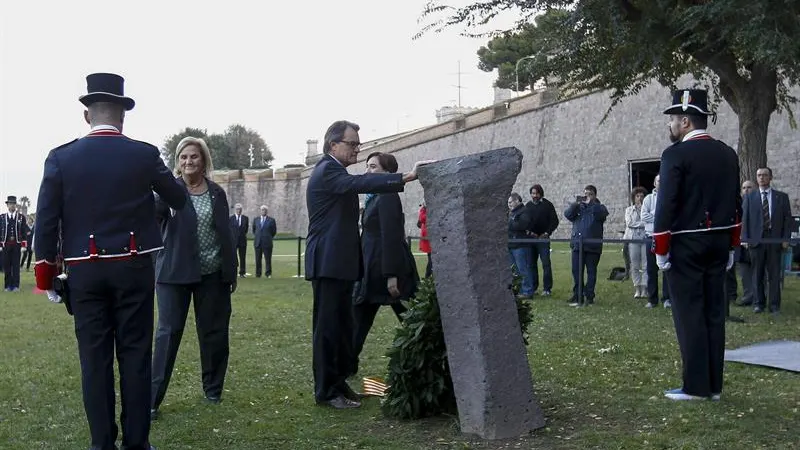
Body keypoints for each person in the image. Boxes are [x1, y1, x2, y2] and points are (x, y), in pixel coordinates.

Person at [34, 73, 186, 449]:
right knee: (135, 356)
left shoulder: (61, 157)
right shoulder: (144, 154)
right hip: (133, 268)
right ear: (122, 115)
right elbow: (178, 199)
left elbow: (46, 219)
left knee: (94, 360)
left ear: (88, 115)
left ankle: (102, 443)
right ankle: (137, 442)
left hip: (84, 271)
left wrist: (45, 276)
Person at [305, 120, 432, 409]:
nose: (357, 149)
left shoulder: (335, 171)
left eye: (358, 143)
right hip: (328, 262)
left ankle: (337, 384)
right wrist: (407, 176)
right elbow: (359, 183)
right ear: (332, 145)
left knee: (341, 327)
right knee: (327, 329)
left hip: (339, 263)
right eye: (352, 143)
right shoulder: (328, 171)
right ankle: (326, 391)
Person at [653, 89, 741, 401]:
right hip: (719, 241)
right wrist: (732, 243)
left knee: (689, 313)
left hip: (685, 243)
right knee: (714, 313)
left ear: (686, 121)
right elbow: (735, 202)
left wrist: (661, 249)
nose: (670, 126)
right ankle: (714, 385)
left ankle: (696, 386)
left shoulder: (674, 155)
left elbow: (666, 206)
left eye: (674, 120)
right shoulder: (727, 153)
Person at [150, 137, 237, 419]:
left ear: (204, 160)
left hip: (212, 275)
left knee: (214, 333)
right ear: (177, 161)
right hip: (174, 275)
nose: (189, 162)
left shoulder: (216, 193)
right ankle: (151, 399)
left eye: (194, 157)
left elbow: (226, 234)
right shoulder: (168, 191)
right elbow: (149, 222)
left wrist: (230, 270)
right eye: (183, 157)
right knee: (168, 334)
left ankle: (213, 389)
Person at [351, 152, 418, 376]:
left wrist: (391, 274)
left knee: (412, 321)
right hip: (371, 268)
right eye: (367, 167)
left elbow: (391, 235)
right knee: (358, 320)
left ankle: (427, 364)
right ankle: (345, 367)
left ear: (387, 173)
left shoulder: (387, 196)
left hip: (387, 268)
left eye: (373, 167)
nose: (368, 171)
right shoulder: (375, 197)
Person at [742, 167, 792, 314]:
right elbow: (746, 220)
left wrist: (785, 238)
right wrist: (745, 238)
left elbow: (787, 220)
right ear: (756, 178)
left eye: (765, 175)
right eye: (759, 175)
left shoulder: (781, 197)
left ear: (770, 177)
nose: (762, 178)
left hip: (775, 239)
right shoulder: (750, 198)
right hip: (756, 240)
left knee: (774, 274)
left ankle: (774, 305)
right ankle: (758, 303)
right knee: (757, 273)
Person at [564, 185, 608, 306]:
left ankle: (589, 296)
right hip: (578, 244)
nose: (587, 196)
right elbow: (567, 215)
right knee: (576, 271)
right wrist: (575, 204)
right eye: (585, 194)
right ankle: (577, 295)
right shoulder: (578, 208)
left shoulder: (600, 208)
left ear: (595, 195)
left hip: (593, 246)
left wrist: (592, 203)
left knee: (591, 272)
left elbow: (603, 215)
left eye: (590, 194)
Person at [524, 184, 559, 296]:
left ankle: (547, 288)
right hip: (531, 240)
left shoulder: (548, 205)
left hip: (543, 240)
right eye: (533, 193)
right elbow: (525, 222)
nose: (534, 196)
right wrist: (529, 232)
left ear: (541, 193)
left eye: (536, 193)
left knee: (546, 264)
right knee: (531, 264)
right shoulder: (528, 206)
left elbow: (554, 221)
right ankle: (533, 287)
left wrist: (546, 233)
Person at [508, 193, 534, 298]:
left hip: (521, 245)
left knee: (523, 269)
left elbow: (522, 225)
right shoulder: (512, 213)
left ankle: (527, 291)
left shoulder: (524, 211)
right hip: (512, 244)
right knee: (515, 270)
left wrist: (508, 222)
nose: (509, 205)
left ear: (517, 201)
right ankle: (519, 290)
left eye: (510, 202)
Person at [624, 187, 649, 298]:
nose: (640, 198)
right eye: (637, 196)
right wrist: (642, 223)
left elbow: (648, 221)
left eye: (642, 196)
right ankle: (637, 288)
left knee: (645, 264)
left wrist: (641, 222)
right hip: (633, 239)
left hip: (644, 238)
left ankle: (644, 289)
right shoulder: (629, 210)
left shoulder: (647, 209)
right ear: (634, 198)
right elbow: (629, 223)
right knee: (634, 264)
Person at [1, 196, 29, 291]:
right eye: (10, 204)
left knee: (16, 265)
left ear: (15, 205)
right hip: (6, 245)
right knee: (7, 265)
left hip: (17, 245)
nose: (11, 206)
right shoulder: (2, 217)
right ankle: (7, 285)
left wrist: (24, 245)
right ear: (7, 205)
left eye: (13, 204)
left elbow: (24, 232)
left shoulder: (21, 217)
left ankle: (16, 285)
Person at [252, 205, 277, 278]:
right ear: (260, 211)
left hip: (267, 242)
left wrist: (268, 237)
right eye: (262, 210)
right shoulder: (256, 219)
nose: (263, 211)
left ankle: (268, 273)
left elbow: (273, 231)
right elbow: (254, 230)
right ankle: (258, 274)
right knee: (257, 259)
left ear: (267, 211)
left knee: (268, 259)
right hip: (258, 242)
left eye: (265, 210)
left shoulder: (271, 220)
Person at [230, 203, 249, 277]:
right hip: (233, 241)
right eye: (237, 209)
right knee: (233, 257)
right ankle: (233, 272)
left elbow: (246, 229)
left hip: (242, 241)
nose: (239, 210)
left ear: (241, 210)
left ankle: (242, 272)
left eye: (240, 209)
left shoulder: (245, 218)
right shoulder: (231, 219)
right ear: (235, 210)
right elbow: (229, 230)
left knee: (242, 257)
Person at [417, 203, 432, 277]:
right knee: (431, 260)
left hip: (430, 237)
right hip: (427, 239)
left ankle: (428, 277)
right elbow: (422, 219)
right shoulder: (423, 211)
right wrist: (423, 209)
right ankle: (427, 277)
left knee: (431, 260)